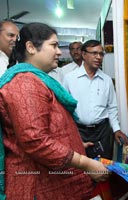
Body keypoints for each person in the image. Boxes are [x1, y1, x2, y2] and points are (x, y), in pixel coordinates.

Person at [0, 22, 109, 199]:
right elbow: (35, 141)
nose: (59, 52)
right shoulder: (25, 84)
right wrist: (85, 163)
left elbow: (45, 127)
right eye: (54, 45)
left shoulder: (35, 80)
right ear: (31, 48)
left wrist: (75, 144)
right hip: (36, 185)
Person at [63, 39, 128, 159]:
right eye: (94, 53)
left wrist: (116, 129)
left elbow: (112, 107)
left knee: (103, 167)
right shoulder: (69, 79)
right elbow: (64, 109)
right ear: (84, 54)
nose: (98, 57)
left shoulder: (107, 80)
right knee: (81, 167)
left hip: (102, 132)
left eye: (101, 54)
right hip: (79, 132)